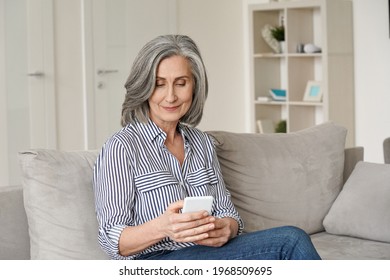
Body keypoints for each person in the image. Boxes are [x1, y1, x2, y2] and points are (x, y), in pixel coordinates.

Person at [93, 34, 321, 260]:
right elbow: (111, 238)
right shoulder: (121, 147)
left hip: (210, 253)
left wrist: (226, 229)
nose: (170, 96)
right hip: (158, 260)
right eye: (159, 84)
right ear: (144, 88)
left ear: (195, 87)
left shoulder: (202, 144)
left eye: (181, 83)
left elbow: (228, 214)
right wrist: (162, 227)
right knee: (290, 241)